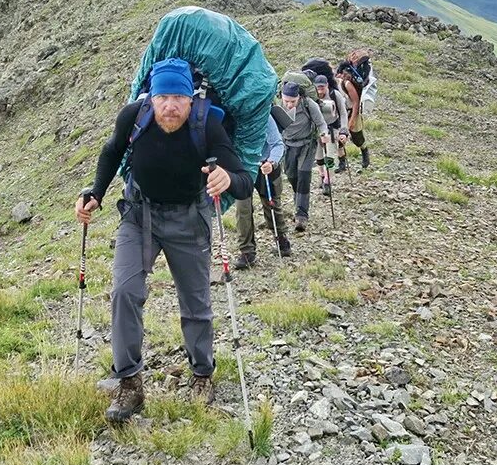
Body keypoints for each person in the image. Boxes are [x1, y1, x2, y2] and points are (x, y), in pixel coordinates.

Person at [75, 58, 253, 422]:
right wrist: (95, 192)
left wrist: (227, 180)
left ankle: (202, 374)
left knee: (196, 301)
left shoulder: (209, 123)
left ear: (191, 99)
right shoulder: (133, 116)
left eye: (178, 97)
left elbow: (243, 178)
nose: (170, 106)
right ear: (150, 98)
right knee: (125, 291)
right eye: (162, 97)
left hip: (189, 220)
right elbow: (111, 152)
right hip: (139, 216)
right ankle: (129, 384)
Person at [233, 115, 291, 268]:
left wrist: (272, 162)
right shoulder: (233, 117)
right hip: (243, 168)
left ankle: (281, 239)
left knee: (271, 204)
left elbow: (278, 144)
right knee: (242, 208)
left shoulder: (265, 116)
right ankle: (247, 252)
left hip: (265, 166)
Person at [280, 81, 329, 232]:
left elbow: (321, 123)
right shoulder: (276, 106)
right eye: (286, 101)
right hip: (287, 145)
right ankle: (299, 201)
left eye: (292, 101)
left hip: (307, 145)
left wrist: (324, 134)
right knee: (292, 176)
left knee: (303, 177)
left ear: (299, 98)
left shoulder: (309, 105)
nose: (289, 105)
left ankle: (301, 215)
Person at [336, 61, 372, 170]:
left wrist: (352, 120)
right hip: (340, 113)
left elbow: (356, 102)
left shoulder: (346, 84)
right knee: (339, 139)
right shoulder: (332, 84)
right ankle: (342, 163)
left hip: (351, 112)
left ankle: (365, 152)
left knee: (357, 137)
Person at [314, 74, 349, 182]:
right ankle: (322, 175)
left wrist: (343, 130)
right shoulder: (312, 96)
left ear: (327, 85)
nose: (320, 91)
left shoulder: (335, 95)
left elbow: (343, 113)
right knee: (319, 156)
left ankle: (328, 181)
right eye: (318, 88)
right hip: (317, 129)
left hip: (332, 128)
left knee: (329, 156)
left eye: (322, 87)